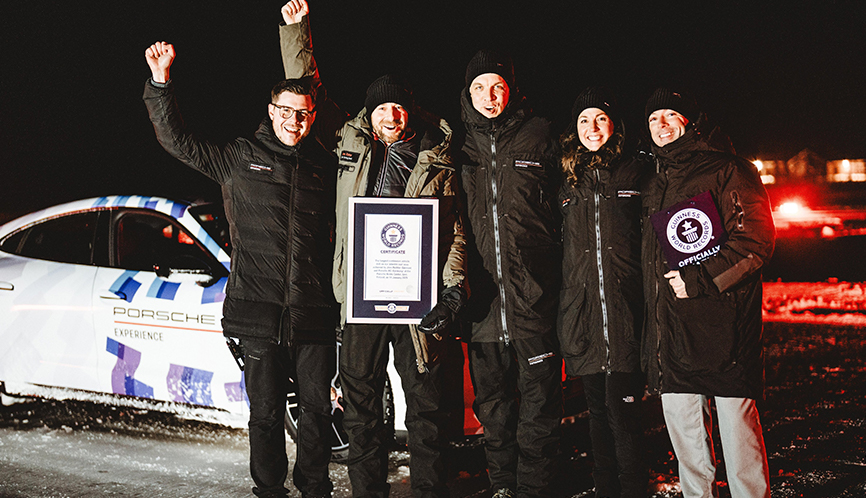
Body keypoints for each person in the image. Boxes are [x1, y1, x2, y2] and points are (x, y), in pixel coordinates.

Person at [279, 2, 467, 497]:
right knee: (362, 407)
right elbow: (307, 92)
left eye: (399, 106)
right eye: (383, 107)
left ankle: (429, 490)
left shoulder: (437, 157)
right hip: (362, 298)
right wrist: (297, 31)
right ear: (371, 112)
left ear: (411, 110)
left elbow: (454, 231)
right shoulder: (349, 142)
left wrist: (450, 291)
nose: (392, 115)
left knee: (425, 408)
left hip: (415, 302)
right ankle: (369, 491)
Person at [143, 42, 337, 498]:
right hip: (258, 311)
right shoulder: (240, 157)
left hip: (313, 313)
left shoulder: (324, 167)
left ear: (313, 116)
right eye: (287, 111)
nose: (295, 121)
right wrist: (160, 83)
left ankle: (315, 488)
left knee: (317, 410)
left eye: (305, 113)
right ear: (271, 112)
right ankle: (269, 490)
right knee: (266, 413)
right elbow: (177, 141)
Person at [641, 88, 774, 498]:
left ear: (689, 122)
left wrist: (699, 279)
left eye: (669, 115)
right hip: (674, 332)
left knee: (739, 439)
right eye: (652, 119)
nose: (661, 125)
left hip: (723, 326)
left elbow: (756, 242)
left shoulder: (729, 169)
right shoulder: (653, 181)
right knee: (687, 447)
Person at [458, 49, 562, 498]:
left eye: (496, 85)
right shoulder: (456, 145)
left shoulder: (540, 136)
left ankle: (535, 489)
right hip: (483, 305)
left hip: (533, 298)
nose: (488, 95)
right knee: (494, 408)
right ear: (468, 93)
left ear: (510, 89)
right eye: (479, 87)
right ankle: (503, 486)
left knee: (540, 407)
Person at [558, 88, 647, 498]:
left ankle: (632, 490)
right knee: (596, 415)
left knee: (624, 417)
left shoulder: (635, 172)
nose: (592, 129)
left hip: (626, 312)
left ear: (615, 125)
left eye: (600, 119)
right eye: (583, 121)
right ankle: (604, 488)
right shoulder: (564, 178)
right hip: (584, 316)